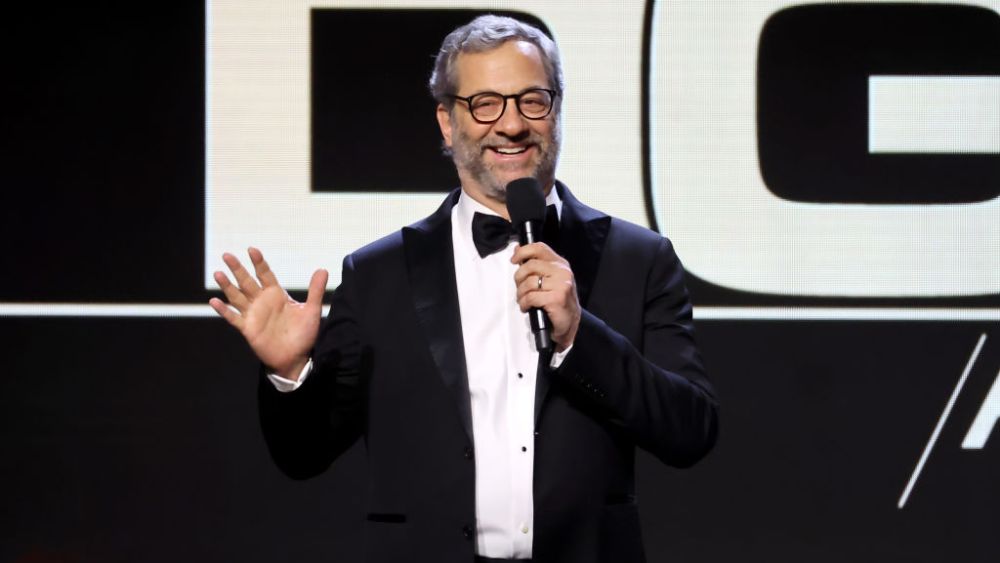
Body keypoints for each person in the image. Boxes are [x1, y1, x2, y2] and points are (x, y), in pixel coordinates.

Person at [210, 15, 717, 563]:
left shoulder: (638, 259)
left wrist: (579, 338)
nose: (512, 125)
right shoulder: (378, 274)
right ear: (448, 123)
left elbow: (690, 431)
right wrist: (290, 374)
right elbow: (303, 454)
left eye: (532, 100)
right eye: (485, 104)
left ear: (556, 112)